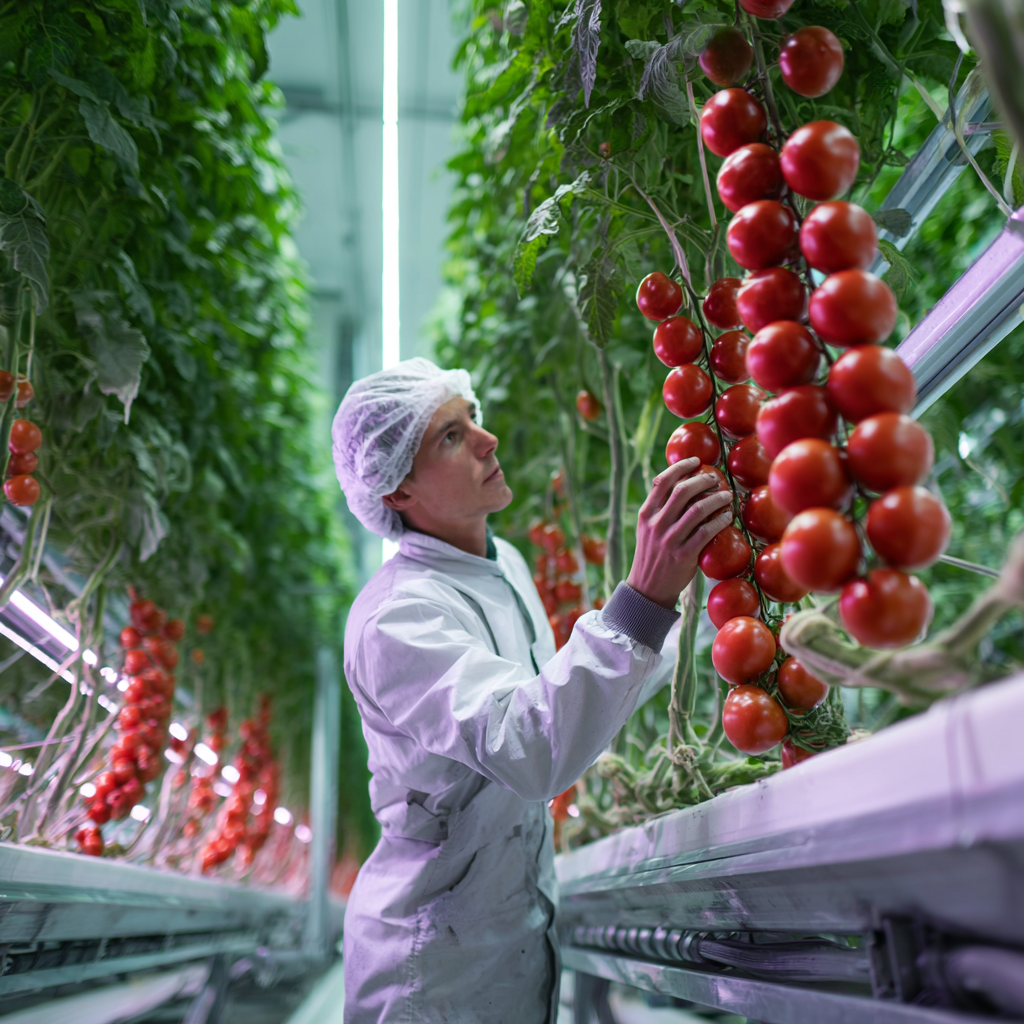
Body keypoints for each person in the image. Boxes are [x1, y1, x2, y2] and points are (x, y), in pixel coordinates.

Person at [333, 358, 733, 1024]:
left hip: (507, 941)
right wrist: (643, 596)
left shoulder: (503, 564)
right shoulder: (396, 619)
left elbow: (571, 703)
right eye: (450, 438)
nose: (486, 440)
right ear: (396, 489)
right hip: (431, 975)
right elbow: (532, 746)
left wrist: (710, 606)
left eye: (473, 418)